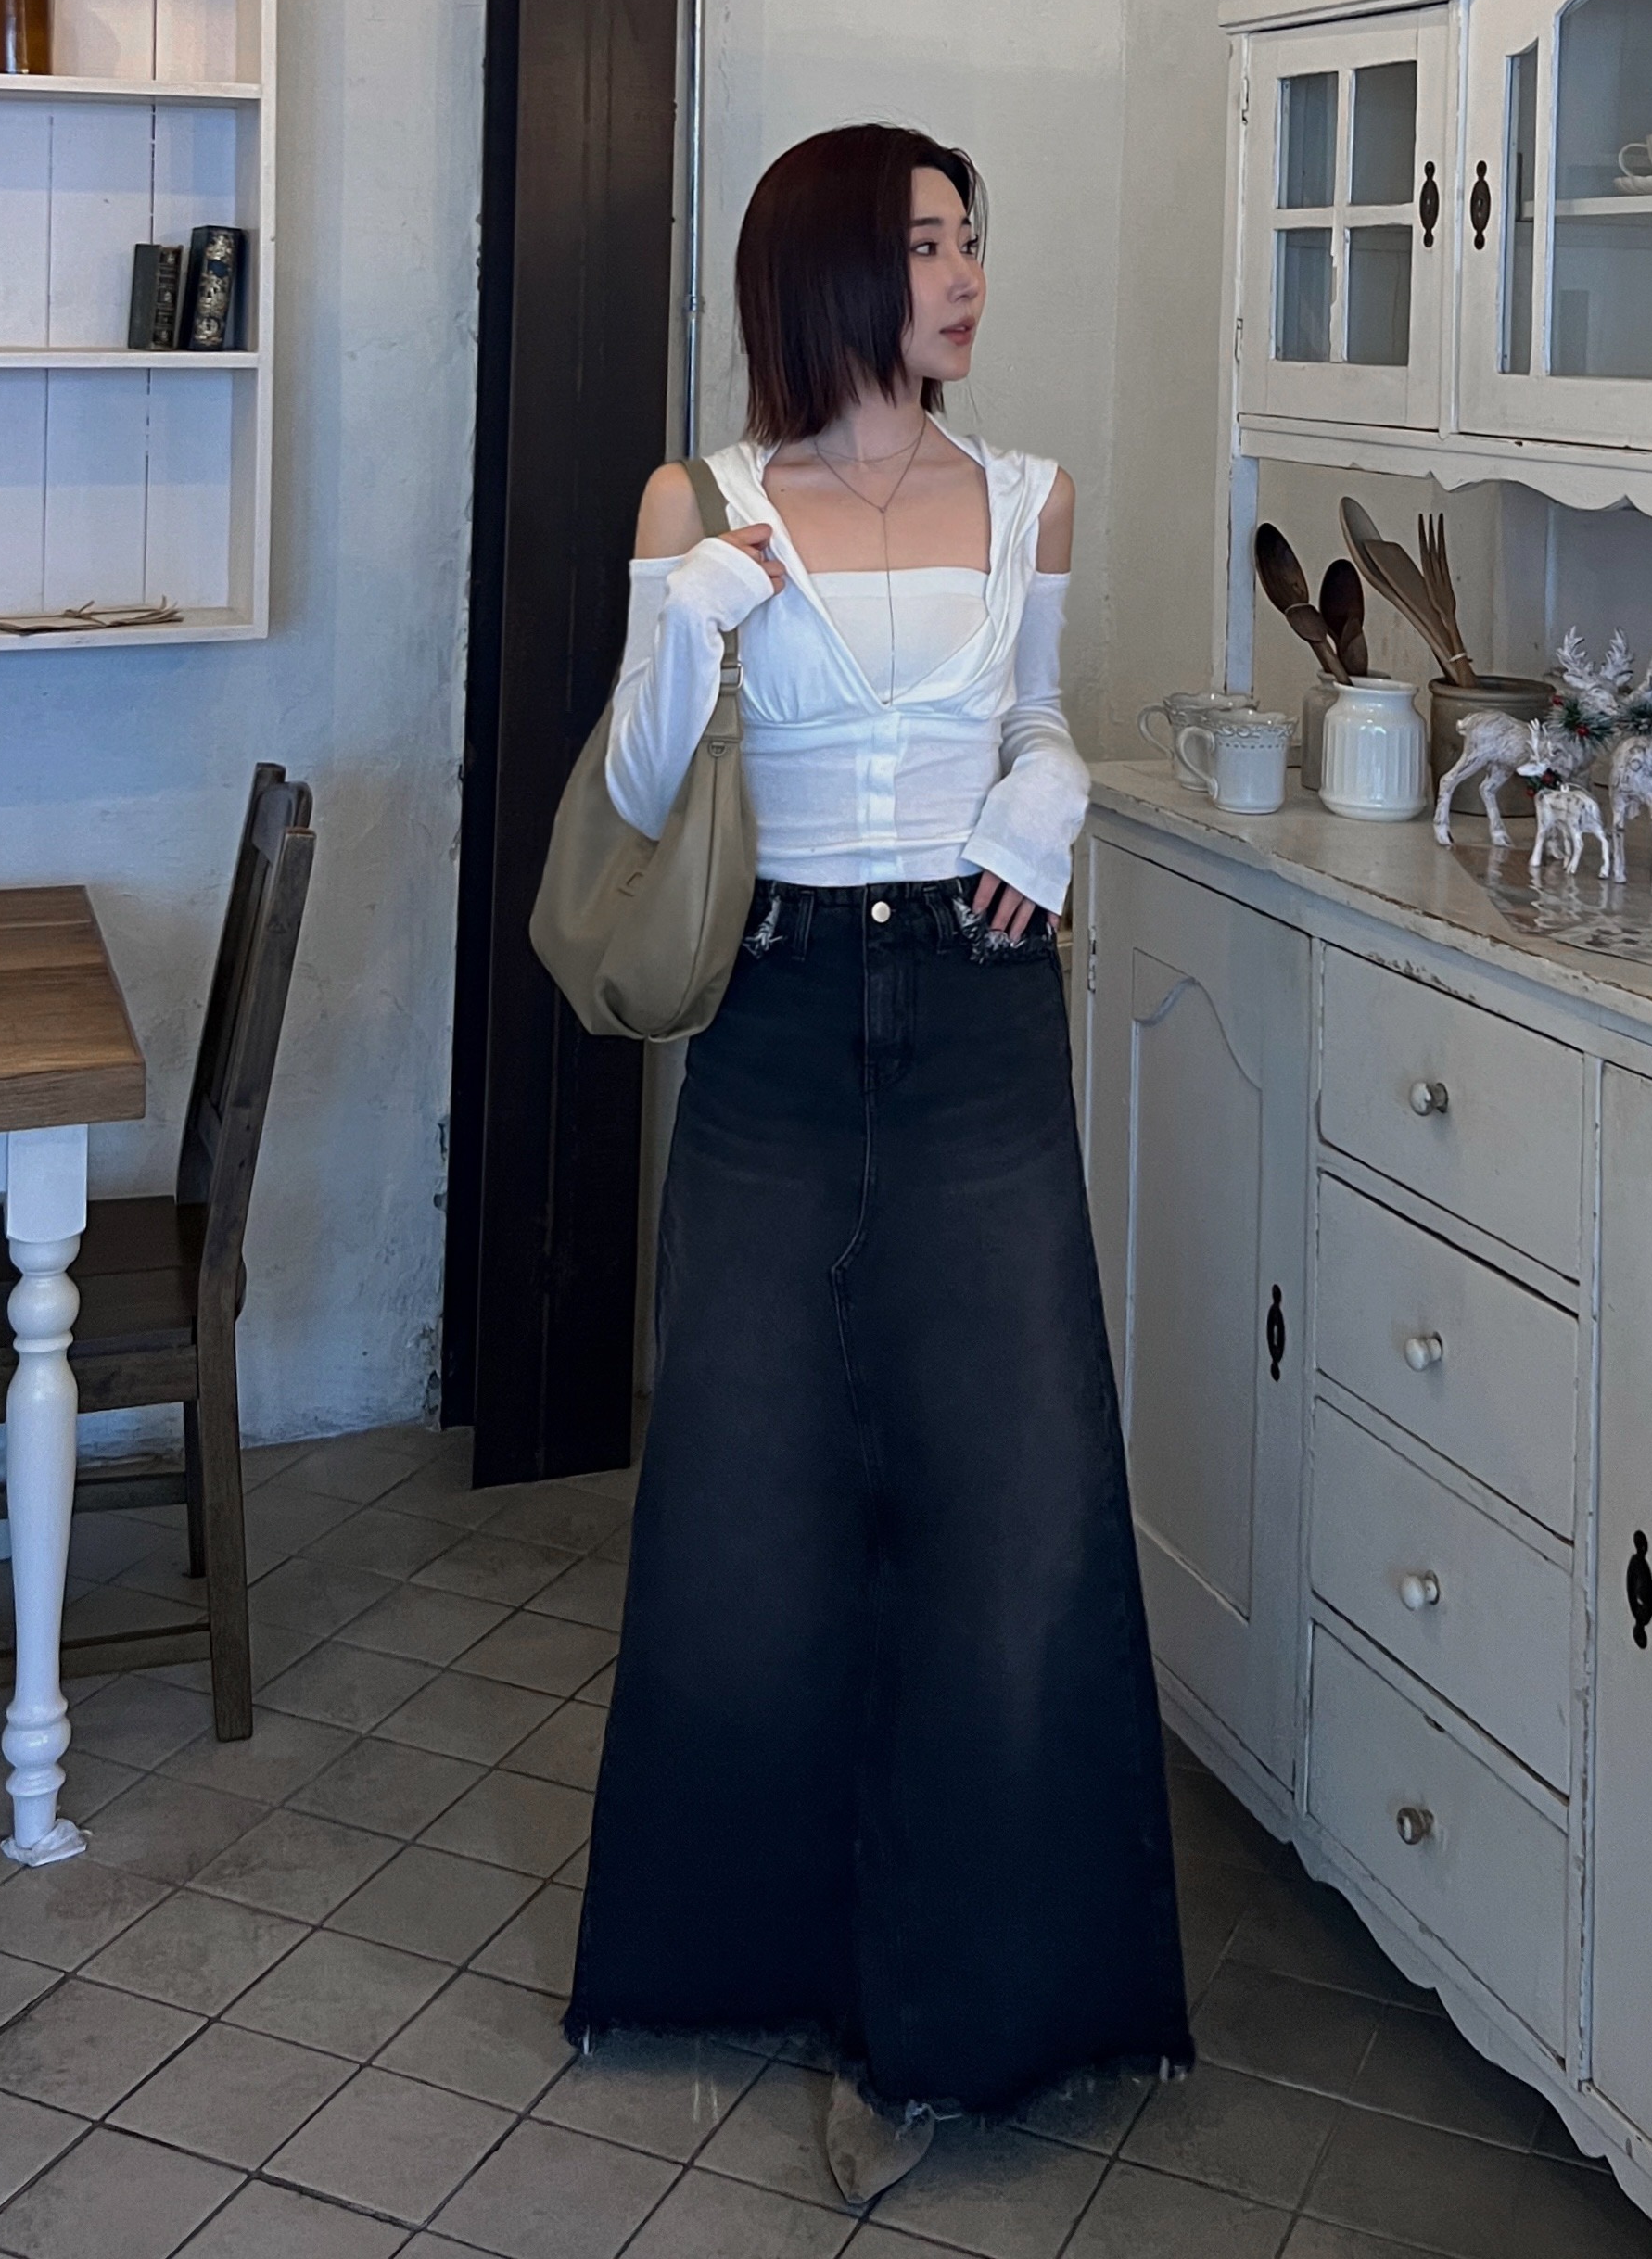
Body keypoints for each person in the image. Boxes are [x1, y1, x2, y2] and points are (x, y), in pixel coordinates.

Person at [564, 121, 1191, 2211]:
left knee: (1011, 1491)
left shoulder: (1031, 497)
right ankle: (751, 1954)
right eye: (928, 244)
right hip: (771, 1008)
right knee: (752, 1487)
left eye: (972, 240)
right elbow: (639, 789)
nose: (967, 276)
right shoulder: (703, 502)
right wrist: (693, 626)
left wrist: (1054, 794)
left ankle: (967, 2010)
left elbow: (1038, 714)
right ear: (830, 265)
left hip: (980, 1016)